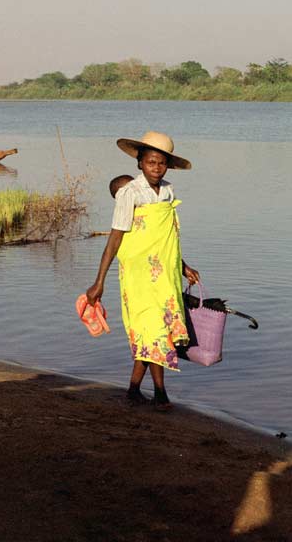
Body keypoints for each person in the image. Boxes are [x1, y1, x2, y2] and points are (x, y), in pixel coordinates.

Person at [87, 131, 199, 410]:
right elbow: (115, 237)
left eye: (161, 163)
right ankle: (159, 394)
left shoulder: (169, 191)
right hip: (139, 273)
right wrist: (99, 281)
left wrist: (183, 265)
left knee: (156, 331)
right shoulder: (129, 193)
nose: (156, 168)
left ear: (168, 165)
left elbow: (167, 237)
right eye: (151, 162)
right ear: (139, 163)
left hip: (166, 275)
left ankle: (135, 389)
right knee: (153, 330)